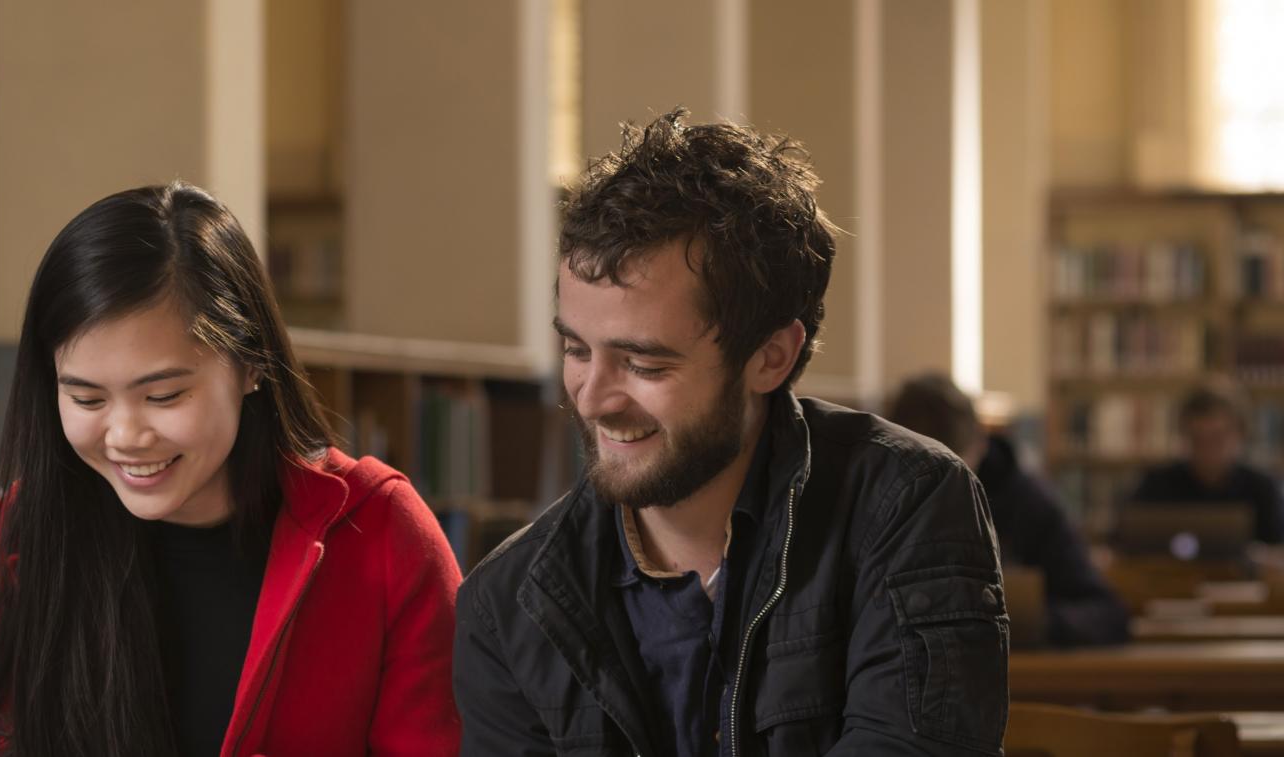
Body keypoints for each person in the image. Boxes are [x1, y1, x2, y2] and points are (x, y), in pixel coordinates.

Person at [454, 109, 1009, 756]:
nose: (594, 398)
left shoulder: (904, 507)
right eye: (577, 350)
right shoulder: (507, 604)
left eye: (643, 363)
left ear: (770, 357)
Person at [0, 183, 461, 757]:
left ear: (251, 363)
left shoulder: (381, 536)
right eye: (87, 400)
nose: (126, 436)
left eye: (164, 396)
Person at [888, 372, 1130, 647]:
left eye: (951, 473)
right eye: (920, 477)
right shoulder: (877, 500)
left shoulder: (1028, 503)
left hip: (1012, 676)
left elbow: (1107, 615)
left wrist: (1031, 624)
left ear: (980, 444)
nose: (936, 494)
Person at [1125, 382, 1284, 545]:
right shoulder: (1155, 483)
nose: (1208, 450)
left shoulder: (1262, 487)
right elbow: (1122, 543)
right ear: (1184, 435)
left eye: (1217, 439)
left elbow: (1277, 552)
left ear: (1240, 434)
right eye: (1197, 439)